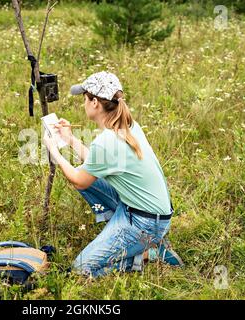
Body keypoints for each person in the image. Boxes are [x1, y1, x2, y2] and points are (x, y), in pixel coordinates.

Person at [42, 71, 183, 278]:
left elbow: (80, 182)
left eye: (84, 99)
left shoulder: (106, 142)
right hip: (149, 211)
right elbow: (98, 163)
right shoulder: (129, 125)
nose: (84, 104)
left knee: (81, 269)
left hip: (145, 222)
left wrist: (54, 152)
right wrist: (70, 139)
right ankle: (121, 232)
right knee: (86, 173)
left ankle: (148, 252)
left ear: (95, 103)